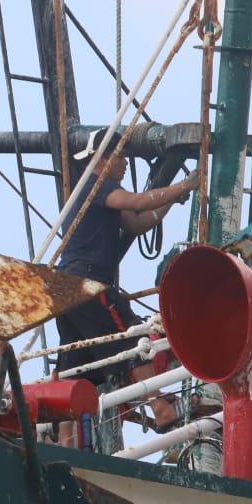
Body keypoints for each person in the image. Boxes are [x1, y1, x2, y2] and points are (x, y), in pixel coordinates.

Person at [53, 136, 198, 448]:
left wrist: (171, 199)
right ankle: (160, 408)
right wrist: (185, 186)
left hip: (65, 289)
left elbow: (138, 223)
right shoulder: (97, 186)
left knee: (75, 364)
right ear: (102, 160)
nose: (126, 162)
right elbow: (137, 202)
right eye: (121, 156)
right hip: (88, 284)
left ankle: (65, 439)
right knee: (129, 338)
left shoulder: (93, 195)